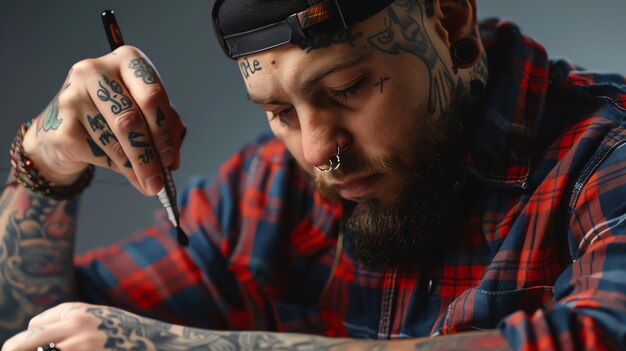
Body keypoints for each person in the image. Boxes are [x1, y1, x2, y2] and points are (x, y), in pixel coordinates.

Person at [1, 0, 626, 350]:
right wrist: (46, 168)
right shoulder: (271, 192)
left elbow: (599, 338)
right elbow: (29, 327)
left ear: (450, 20)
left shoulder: (605, 151)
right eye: (279, 111)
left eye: (347, 88)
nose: (316, 150)